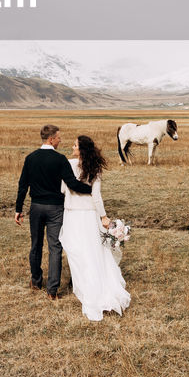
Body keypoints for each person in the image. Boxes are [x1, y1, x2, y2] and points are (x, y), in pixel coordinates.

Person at [14, 124, 94, 300]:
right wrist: (91, 189)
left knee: (35, 245)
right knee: (55, 247)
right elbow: (72, 183)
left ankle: (35, 281)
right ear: (51, 139)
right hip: (56, 209)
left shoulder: (30, 158)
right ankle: (52, 290)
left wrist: (18, 209)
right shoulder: (60, 160)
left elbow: (22, 186)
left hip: (36, 207)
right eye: (58, 137)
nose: (60, 140)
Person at [59, 135, 131, 321]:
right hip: (89, 214)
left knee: (76, 249)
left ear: (81, 149)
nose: (72, 146)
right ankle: (94, 282)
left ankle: (85, 283)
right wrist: (103, 216)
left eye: (75, 145)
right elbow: (96, 196)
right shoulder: (95, 168)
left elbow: (62, 189)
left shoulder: (68, 164)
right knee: (92, 250)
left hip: (73, 213)